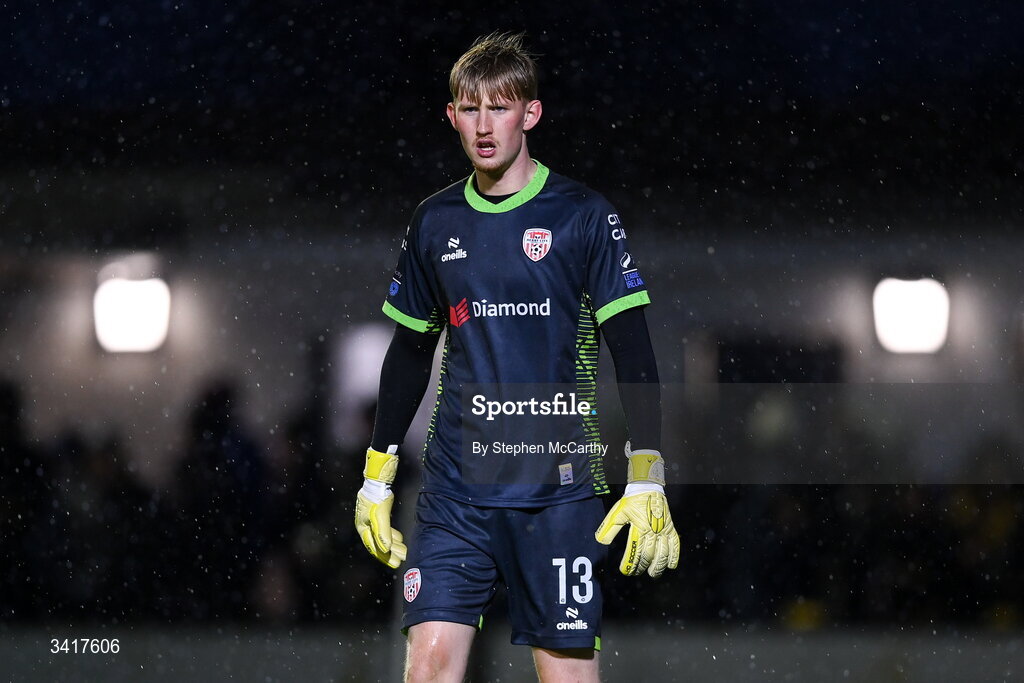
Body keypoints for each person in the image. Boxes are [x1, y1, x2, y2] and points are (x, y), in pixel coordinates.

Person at [354, 32, 680, 682]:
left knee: (565, 675)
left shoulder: (583, 217)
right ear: (451, 116)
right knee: (428, 668)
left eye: (498, 108)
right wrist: (376, 473)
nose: (483, 125)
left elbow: (634, 350)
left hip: (556, 497)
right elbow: (410, 353)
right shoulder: (435, 221)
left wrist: (646, 471)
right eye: (469, 109)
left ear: (530, 113)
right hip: (455, 495)